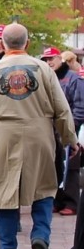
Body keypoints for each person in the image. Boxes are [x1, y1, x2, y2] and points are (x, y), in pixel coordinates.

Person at [0, 23, 78, 249]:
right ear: (27, 44)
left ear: (4, 45)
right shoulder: (43, 69)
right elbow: (62, 108)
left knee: (4, 193)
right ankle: (40, 235)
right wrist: (70, 138)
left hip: (4, 134)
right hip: (40, 133)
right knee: (43, 187)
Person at [42, 46, 84, 217]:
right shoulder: (46, 79)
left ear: (60, 59)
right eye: (46, 60)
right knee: (53, 166)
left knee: (71, 167)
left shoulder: (73, 79)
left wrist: (70, 126)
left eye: (52, 58)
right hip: (49, 130)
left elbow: (80, 105)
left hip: (68, 129)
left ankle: (71, 202)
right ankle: (56, 200)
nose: (49, 62)